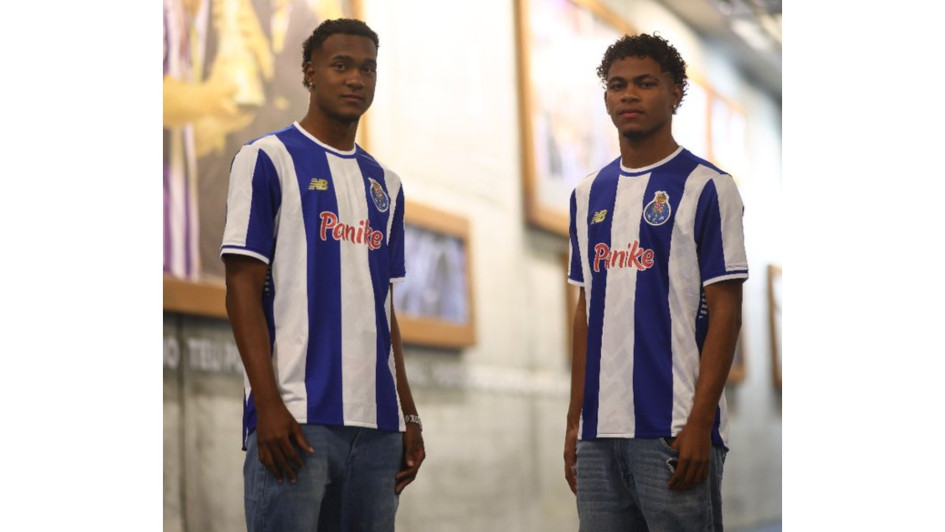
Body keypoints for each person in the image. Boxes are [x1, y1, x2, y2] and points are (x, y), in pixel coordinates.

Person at [221, 18, 425, 531]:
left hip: (379, 430)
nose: (356, 78)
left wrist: (408, 414)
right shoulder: (266, 159)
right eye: (341, 66)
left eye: (367, 69)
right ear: (310, 73)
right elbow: (241, 289)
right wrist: (267, 405)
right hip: (295, 422)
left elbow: (385, 309)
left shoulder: (387, 185)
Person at [563, 33, 748, 531]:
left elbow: (726, 311)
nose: (629, 95)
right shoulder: (585, 194)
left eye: (645, 84)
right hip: (599, 435)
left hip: (674, 430)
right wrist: (574, 420)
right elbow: (586, 312)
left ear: (676, 93)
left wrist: (700, 422)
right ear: (605, 98)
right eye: (618, 85)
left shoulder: (709, 187)